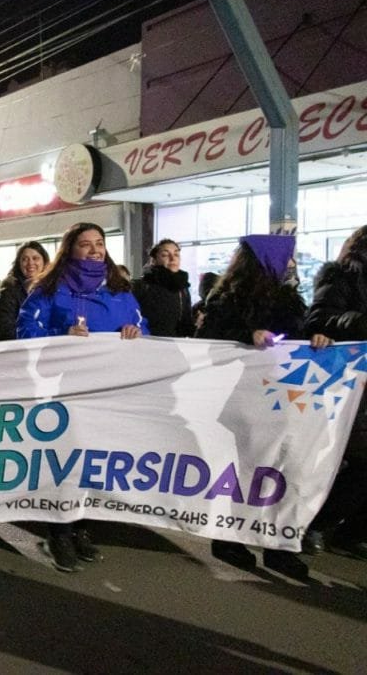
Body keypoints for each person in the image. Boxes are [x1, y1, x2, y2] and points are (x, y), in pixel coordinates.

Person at [16, 222, 148, 572]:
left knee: (94, 462)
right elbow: (25, 331)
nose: (94, 250)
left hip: (108, 392)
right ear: (69, 250)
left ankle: (82, 527)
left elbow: (144, 327)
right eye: (85, 244)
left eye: (99, 244)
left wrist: (136, 332)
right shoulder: (48, 289)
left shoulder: (120, 290)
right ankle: (58, 532)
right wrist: (62, 334)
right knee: (65, 461)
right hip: (64, 391)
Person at [195, 234, 310, 581]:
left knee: (287, 470)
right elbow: (207, 340)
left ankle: (278, 544)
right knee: (247, 471)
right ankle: (229, 538)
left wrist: (319, 338)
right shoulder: (226, 299)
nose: (292, 265)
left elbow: (304, 333)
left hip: (286, 398)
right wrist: (248, 334)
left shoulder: (290, 299)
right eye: (287, 258)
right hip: (244, 398)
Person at [303, 225, 367, 561]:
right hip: (350, 384)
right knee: (360, 461)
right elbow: (318, 320)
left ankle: (351, 533)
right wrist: (359, 321)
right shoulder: (342, 277)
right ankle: (315, 523)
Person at [132, 238, 194, 337]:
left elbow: (186, 323)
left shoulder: (183, 288)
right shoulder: (142, 286)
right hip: (147, 342)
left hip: (175, 343)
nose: (172, 258)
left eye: (176, 254)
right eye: (165, 255)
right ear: (154, 260)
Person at [0, 241, 49, 341]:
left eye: (35, 258)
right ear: (19, 264)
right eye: (25, 259)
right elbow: (5, 330)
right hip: (22, 347)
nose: (30, 263)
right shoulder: (9, 292)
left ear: (44, 262)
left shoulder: (55, 289)